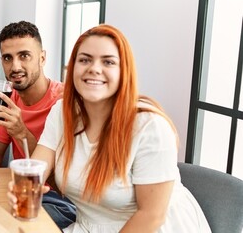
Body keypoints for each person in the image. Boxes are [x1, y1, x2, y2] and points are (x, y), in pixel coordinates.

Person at [16, 24, 211, 232]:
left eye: (108, 61)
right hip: (89, 226)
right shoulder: (62, 112)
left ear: (123, 71)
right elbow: (37, 168)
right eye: (85, 60)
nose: (94, 68)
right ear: (72, 67)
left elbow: (151, 216)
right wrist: (26, 188)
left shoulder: (150, 126)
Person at [0, 21, 76, 229]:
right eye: (7, 58)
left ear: (42, 57)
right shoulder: (9, 99)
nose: (15, 67)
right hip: (22, 194)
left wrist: (21, 132)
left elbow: (64, 184)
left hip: (62, 202)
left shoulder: (66, 102)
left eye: (24, 56)